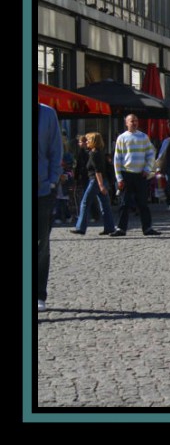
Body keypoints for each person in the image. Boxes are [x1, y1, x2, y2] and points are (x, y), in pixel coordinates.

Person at [110, 114, 161, 237]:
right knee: (124, 203)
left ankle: (147, 228)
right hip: (127, 174)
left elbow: (150, 154)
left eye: (136, 121)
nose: (134, 123)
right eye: (132, 121)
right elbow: (117, 159)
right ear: (126, 123)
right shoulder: (121, 138)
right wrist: (119, 178)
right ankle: (121, 228)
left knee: (143, 203)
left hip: (141, 175)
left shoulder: (143, 137)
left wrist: (147, 169)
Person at [38, 103, 62, 313]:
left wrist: (52, 181)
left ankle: (38, 294)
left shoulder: (46, 114)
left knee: (41, 243)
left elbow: (55, 149)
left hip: (42, 189)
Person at [70, 132, 116, 236]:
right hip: (100, 180)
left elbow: (98, 171)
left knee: (85, 202)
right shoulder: (100, 152)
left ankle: (80, 227)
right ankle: (109, 227)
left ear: (93, 141)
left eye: (88, 140)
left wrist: (100, 185)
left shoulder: (94, 154)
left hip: (95, 181)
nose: (87, 142)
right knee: (105, 205)